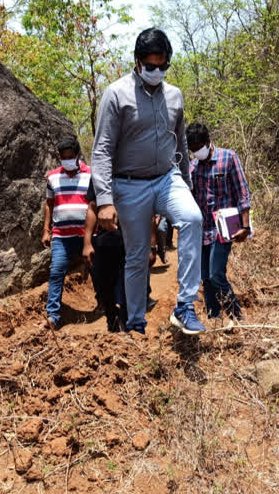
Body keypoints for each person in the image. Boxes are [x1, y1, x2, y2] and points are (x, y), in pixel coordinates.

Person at [91, 28, 205, 335]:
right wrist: (104, 200)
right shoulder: (116, 94)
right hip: (129, 185)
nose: (157, 71)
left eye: (163, 66)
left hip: (168, 177)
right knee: (138, 257)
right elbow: (101, 149)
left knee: (193, 218)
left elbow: (180, 143)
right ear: (137, 61)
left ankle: (185, 305)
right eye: (150, 66)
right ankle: (136, 324)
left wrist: (188, 186)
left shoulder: (175, 95)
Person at [188, 123, 251, 320]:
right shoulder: (192, 167)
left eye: (198, 147)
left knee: (216, 274)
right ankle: (213, 319)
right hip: (202, 230)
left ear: (208, 142)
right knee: (206, 278)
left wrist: (245, 225)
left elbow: (242, 193)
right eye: (192, 149)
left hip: (224, 228)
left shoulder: (229, 158)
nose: (196, 152)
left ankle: (236, 316)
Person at [83, 183, 158, 333]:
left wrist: (152, 246)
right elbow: (92, 207)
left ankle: (126, 326)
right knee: (104, 285)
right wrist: (87, 243)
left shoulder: (138, 171)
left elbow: (150, 213)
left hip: (134, 242)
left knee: (128, 287)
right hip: (106, 240)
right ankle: (111, 322)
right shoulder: (100, 176)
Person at [43, 136, 92, 329]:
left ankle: (105, 306)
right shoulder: (52, 177)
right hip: (62, 236)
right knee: (56, 272)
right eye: (63, 157)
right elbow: (49, 203)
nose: (67, 160)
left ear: (79, 155)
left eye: (70, 156)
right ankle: (53, 315)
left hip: (87, 235)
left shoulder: (91, 175)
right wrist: (46, 230)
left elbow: (96, 203)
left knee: (99, 270)